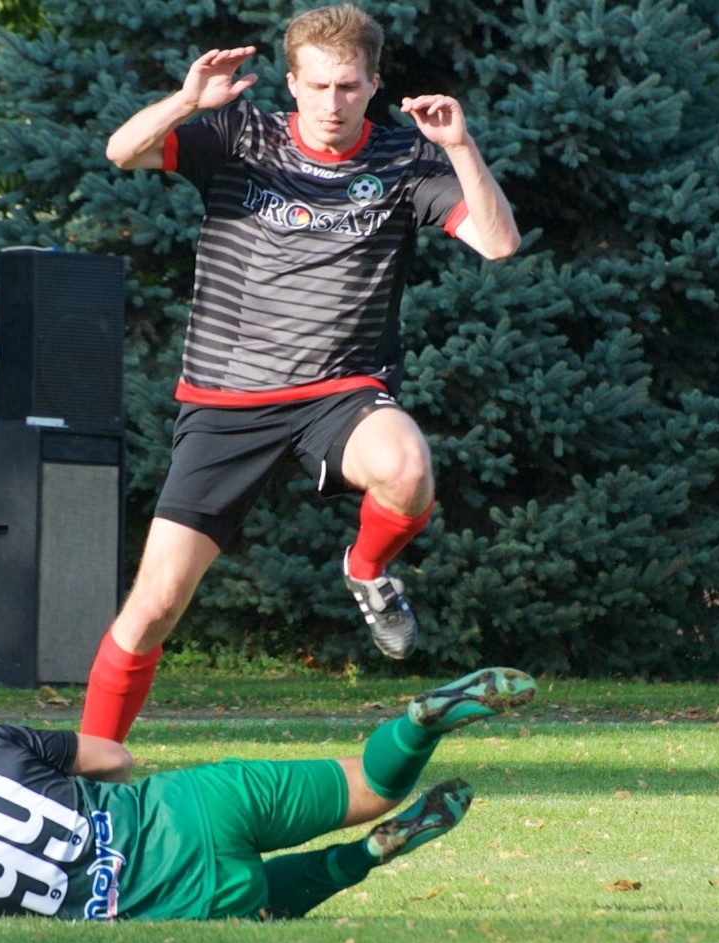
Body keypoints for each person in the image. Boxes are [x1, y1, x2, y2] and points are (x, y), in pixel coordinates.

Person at [85, 4, 521, 742]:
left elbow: (499, 242)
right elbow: (121, 152)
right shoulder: (238, 136)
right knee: (155, 606)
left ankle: (367, 568)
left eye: (348, 87)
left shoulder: (405, 161)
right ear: (291, 83)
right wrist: (190, 100)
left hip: (339, 394)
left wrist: (461, 146)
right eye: (317, 87)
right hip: (226, 401)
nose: (331, 103)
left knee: (408, 468)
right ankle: (91, 767)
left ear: (373, 85)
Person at [0, 666, 535, 921]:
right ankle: (419, 721)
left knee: (265, 902)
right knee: (373, 783)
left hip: (181, 894)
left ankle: (365, 859)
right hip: (200, 801)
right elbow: (113, 756)